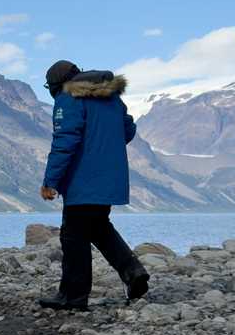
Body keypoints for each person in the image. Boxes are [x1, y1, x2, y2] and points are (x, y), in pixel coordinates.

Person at [37, 59, 150, 311]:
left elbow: (65, 141)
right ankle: (133, 272)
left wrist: (50, 181)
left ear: (56, 85)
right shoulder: (111, 97)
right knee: (98, 227)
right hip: (110, 177)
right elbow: (128, 130)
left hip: (82, 179)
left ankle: (73, 297)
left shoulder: (68, 98)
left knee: (73, 236)